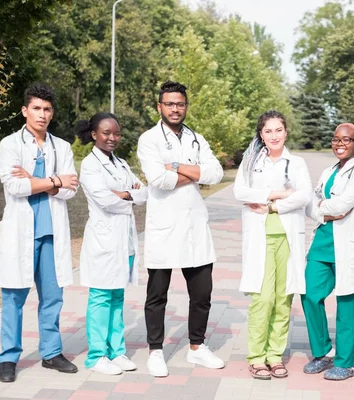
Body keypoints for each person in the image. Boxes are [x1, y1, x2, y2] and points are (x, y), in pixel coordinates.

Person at [137, 80, 225, 377]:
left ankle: (197, 348)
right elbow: (157, 180)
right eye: (170, 104)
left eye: (180, 104)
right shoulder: (148, 139)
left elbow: (216, 174)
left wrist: (175, 166)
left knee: (202, 294)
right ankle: (155, 350)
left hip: (194, 226)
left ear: (186, 106)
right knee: (157, 295)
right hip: (164, 226)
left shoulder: (196, 138)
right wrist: (194, 172)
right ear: (159, 106)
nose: (176, 109)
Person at [0, 83, 79, 383]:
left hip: (52, 232)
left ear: (51, 113)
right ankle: (8, 358)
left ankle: (51, 353)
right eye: (36, 108)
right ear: (24, 110)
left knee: (53, 297)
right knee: (14, 296)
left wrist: (36, 179)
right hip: (21, 231)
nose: (42, 114)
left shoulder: (63, 147)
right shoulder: (10, 145)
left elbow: (70, 191)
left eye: (47, 109)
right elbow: (16, 187)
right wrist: (55, 179)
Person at [233, 110, 312, 380]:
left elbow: (303, 195)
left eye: (278, 130)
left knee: (283, 299)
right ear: (261, 134)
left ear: (286, 132)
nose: (274, 135)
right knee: (262, 298)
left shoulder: (297, 162)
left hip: (288, 237)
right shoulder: (251, 161)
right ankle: (256, 357)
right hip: (260, 238)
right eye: (268, 131)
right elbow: (239, 192)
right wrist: (277, 194)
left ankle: (274, 356)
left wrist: (272, 207)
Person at [302, 123, 354, 381]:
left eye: (346, 140)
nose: (339, 144)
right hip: (322, 241)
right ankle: (323, 351)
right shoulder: (328, 170)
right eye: (336, 139)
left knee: (347, 305)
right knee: (310, 294)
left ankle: (346, 362)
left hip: (348, 244)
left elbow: (345, 204)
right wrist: (326, 209)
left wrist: (323, 206)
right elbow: (310, 204)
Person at [76, 112, 147, 375]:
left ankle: (116, 352)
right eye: (106, 133)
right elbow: (105, 200)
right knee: (101, 297)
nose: (112, 138)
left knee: (118, 296)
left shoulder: (122, 164)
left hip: (125, 241)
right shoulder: (90, 165)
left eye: (116, 133)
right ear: (94, 134)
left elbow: (145, 193)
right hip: (104, 241)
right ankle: (96, 356)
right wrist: (131, 194)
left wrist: (126, 194)